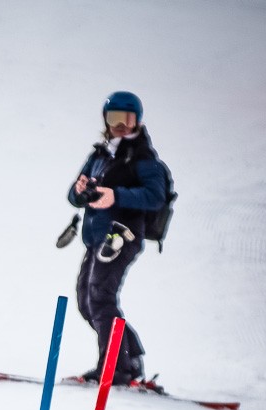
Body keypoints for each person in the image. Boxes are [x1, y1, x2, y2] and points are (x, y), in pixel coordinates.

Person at [67, 90, 167, 385]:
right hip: (96, 237)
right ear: (106, 120)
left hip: (122, 236)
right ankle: (129, 360)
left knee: (100, 298)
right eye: (114, 118)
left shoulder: (144, 159)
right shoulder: (100, 156)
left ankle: (115, 369)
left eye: (127, 119)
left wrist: (116, 195)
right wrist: (80, 191)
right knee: (87, 302)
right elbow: (73, 196)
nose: (121, 125)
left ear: (138, 121)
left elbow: (156, 196)